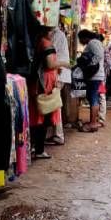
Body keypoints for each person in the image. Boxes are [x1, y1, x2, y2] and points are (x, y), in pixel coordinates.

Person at [29, 27, 63, 159]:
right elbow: (49, 64)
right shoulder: (46, 43)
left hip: (39, 81)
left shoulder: (38, 42)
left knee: (38, 116)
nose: (52, 33)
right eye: (51, 31)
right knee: (43, 115)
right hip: (45, 82)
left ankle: (34, 147)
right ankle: (39, 149)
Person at [47, 23, 71, 145]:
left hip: (59, 73)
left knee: (55, 104)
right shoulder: (58, 35)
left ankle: (58, 134)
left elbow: (51, 52)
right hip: (59, 72)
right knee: (55, 103)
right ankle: (54, 133)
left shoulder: (57, 35)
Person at [77, 29, 105, 132]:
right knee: (93, 97)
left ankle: (93, 123)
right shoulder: (94, 42)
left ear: (85, 37)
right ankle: (93, 121)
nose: (81, 41)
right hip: (95, 76)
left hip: (95, 76)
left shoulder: (93, 42)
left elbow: (98, 56)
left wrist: (90, 64)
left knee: (93, 98)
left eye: (81, 39)